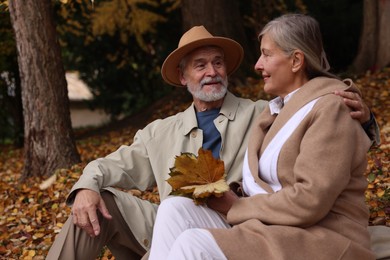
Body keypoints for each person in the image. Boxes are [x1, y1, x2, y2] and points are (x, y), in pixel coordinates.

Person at [46, 25, 376, 259]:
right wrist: (86, 187)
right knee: (96, 202)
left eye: (217, 63)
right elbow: (109, 165)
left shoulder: (262, 113)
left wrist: (363, 118)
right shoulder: (160, 132)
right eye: (200, 65)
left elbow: (321, 123)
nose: (211, 72)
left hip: (243, 219)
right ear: (182, 76)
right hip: (172, 221)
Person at [147, 14, 379, 260]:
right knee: (174, 208)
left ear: (296, 60)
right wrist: (230, 194)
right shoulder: (273, 111)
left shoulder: (330, 107)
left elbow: (310, 200)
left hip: (317, 236)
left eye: (267, 54)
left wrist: (236, 206)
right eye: (200, 66)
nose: (257, 65)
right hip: (268, 224)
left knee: (194, 244)